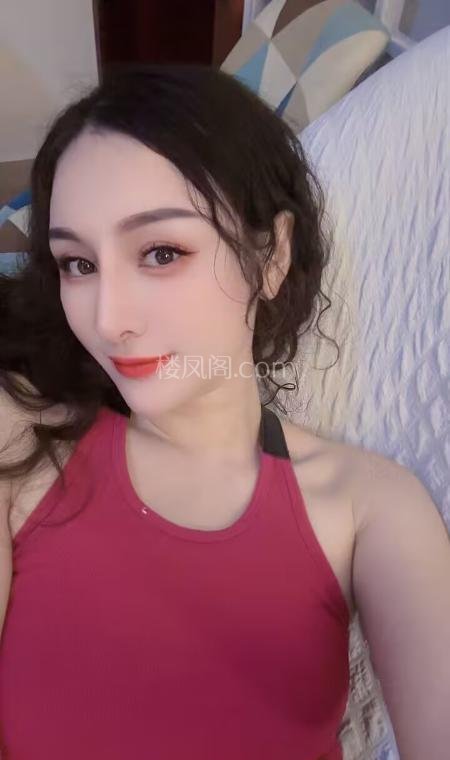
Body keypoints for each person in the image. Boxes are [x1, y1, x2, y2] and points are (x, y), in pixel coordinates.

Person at [0, 63, 449, 760]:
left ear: (271, 257)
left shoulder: (368, 507)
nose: (110, 319)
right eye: (77, 264)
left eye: (161, 252)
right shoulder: (23, 438)